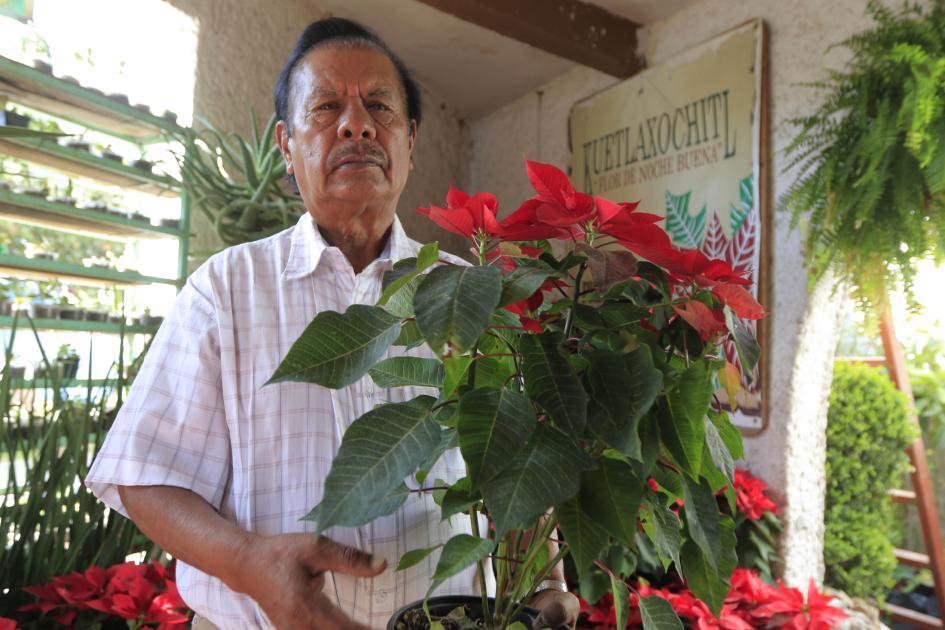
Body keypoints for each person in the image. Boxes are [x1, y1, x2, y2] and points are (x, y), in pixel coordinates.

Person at [86, 17, 578, 630]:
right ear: (286, 146)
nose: (357, 124)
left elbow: (517, 455)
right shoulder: (225, 290)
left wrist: (549, 581)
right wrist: (246, 562)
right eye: (325, 107)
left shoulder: (468, 293)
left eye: (380, 106)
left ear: (410, 140)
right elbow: (145, 476)